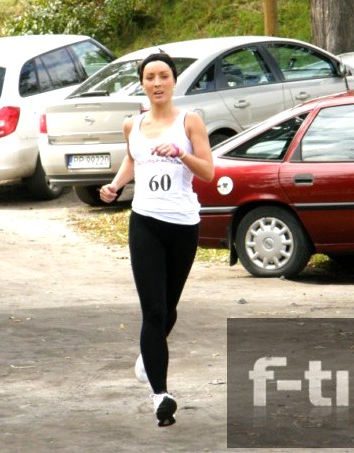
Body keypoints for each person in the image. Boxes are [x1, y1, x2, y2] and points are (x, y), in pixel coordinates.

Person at [99, 52, 214, 427]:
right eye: (150, 77)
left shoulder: (190, 121)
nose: (157, 83)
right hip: (145, 222)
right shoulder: (132, 125)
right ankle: (161, 397)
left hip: (182, 224)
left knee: (167, 309)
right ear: (143, 84)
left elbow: (208, 172)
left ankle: (147, 356)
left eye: (163, 75)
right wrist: (115, 185)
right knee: (153, 310)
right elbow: (133, 159)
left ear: (174, 80)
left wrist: (181, 153)